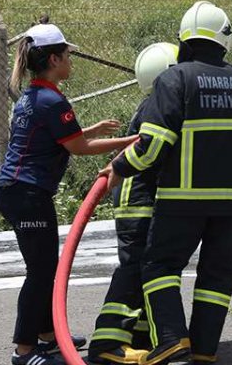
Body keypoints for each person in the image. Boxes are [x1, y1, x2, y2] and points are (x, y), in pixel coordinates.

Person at [104, 1, 232, 365]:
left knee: (159, 266)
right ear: (225, 39)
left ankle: (172, 340)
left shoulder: (174, 79)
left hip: (184, 198)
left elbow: (153, 145)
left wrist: (120, 166)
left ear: (183, 39)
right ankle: (205, 350)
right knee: (217, 275)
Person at [0, 22, 139, 365]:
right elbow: (78, 147)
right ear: (54, 59)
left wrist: (93, 130)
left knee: (46, 267)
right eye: (68, 55)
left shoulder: (34, 95)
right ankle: (24, 351)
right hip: (27, 194)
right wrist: (134, 141)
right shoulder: (51, 100)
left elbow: (61, 136)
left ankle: (48, 336)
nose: (71, 61)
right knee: (41, 271)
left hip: (18, 191)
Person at [87, 42, 179, 365]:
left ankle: (140, 334)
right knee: (135, 267)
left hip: (141, 195)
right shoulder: (159, 105)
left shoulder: (158, 103)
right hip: (137, 199)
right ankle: (107, 341)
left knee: (146, 265)